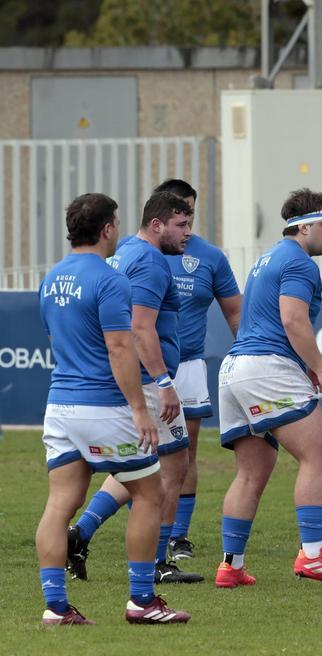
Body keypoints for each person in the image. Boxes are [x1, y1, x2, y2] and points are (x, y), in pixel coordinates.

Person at [67, 180, 242, 567]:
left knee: (142, 464)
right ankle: (159, 561)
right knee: (174, 464)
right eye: (181, 224)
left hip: (139, 376)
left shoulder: (128, 250)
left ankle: (81, 533)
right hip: (151, 379)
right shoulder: (149, 261)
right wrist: (164, 383)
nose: (188, 232)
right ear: (158, 224)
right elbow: (141, 328)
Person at [37, 192, 190, 625]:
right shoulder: (110, 279)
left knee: (59, 503)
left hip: (60, 405)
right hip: (103, 405)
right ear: (107, 229)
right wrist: (139, 409)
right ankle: (142, 601)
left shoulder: (51, 278)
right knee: (148, 493)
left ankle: (56, 607)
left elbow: (55, 342)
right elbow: (120, 346)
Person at [215, 188, 322, 588]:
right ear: (303, 227)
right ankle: (313, 557)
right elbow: (293, 320)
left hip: (235, 370)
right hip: (266, 367)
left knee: (250, 473)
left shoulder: (269, 258)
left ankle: (231, 566)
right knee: (318, 455)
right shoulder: (299, 262)